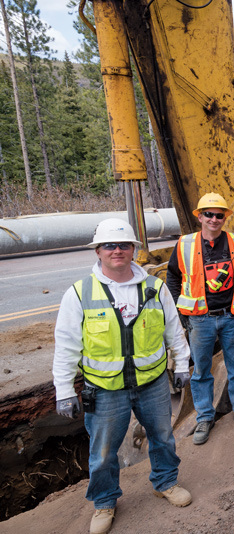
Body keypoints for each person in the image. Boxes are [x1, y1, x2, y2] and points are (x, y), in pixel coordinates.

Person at [53, 219, 192, 534]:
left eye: (124, 245)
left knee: (163, 437)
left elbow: (174, 328)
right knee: (103, 451)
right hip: (105, 389)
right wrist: (64, 389)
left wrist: (182, 363)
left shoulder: (155, 288)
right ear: (98, 251)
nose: (117, 250)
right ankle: (104, 501)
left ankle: (165, 482)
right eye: (109, 246)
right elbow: (66, 346)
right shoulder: (80, 293)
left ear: (133, 250)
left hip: (152, 382)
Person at [166, 192, 234, 445]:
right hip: (200, 320)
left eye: (219, 215)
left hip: (231, 317)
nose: (214, 219)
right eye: (209, 214)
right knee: (200, 372)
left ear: (225, 218)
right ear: (199, 217)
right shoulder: (185, 245)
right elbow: (173, 276)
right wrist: (180, 309)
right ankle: (205, 417)